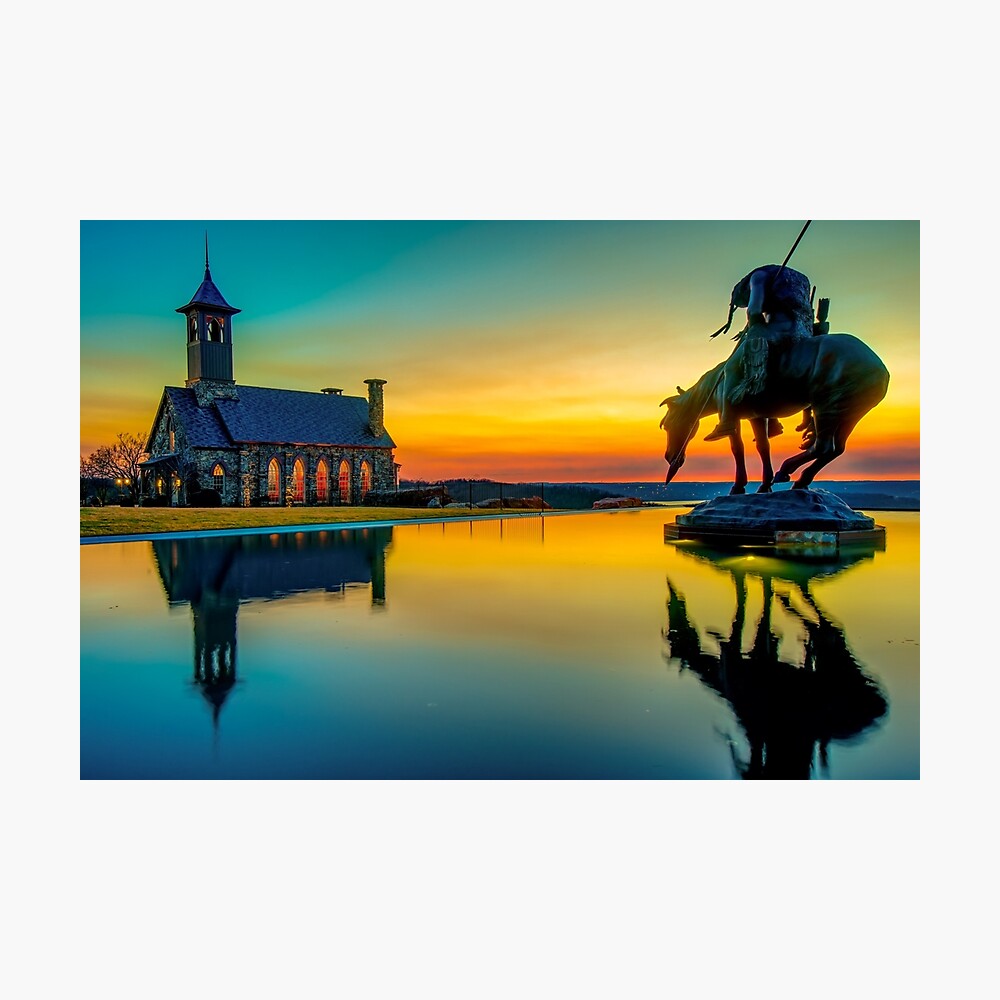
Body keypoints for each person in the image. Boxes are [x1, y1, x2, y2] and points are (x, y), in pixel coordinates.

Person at [704, 264, 815, 442]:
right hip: (804, 331)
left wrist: (754, 324)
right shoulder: (801, 279)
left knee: (731, 368)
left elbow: (754, 310)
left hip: (779, 329)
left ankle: (727, 421)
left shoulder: (758, 277)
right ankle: (774, 422)